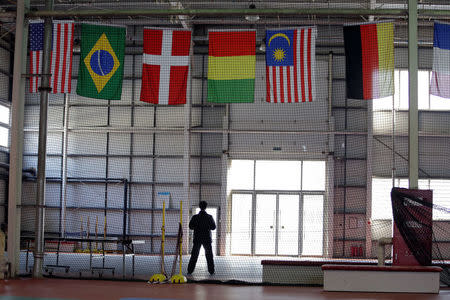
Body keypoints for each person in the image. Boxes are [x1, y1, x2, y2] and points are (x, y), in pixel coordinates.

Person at [187, 201, 216, 275]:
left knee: (194, 255)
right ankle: (211, 271)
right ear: (206, 207)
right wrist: (207, 226)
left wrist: (197, 226)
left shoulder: (195, 217)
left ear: (199, 207)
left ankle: (190, 270)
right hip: (207, 238)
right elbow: (213, 227)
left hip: (197, 238)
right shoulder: (209, 217)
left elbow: (190, 226)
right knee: (209, 255)